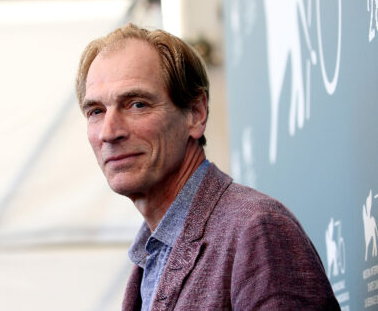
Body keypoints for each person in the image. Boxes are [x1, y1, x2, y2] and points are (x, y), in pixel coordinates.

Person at [76, 23, 340, 310]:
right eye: (96, 111)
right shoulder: (150, 256)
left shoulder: (257, 229)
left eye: (137, 104)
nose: (109, 132)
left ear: (196, 114)